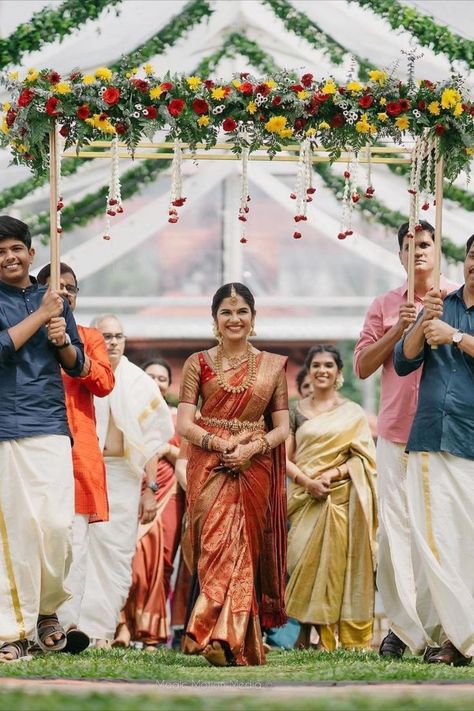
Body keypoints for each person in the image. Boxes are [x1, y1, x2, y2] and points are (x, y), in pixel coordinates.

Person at [353, 221, 458, 659]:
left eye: (426, 244)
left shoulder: (458, 299)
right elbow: (360, 367)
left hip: (444, 433)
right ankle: (402, 628)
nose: (418, 252)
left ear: (439, 251)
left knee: (440, 533)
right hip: (395, 432)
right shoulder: (383, 304)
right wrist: (399, 329)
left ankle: (448, 629)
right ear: (399, 255)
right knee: (394, 532)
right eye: (409, 246)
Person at [177, 283, 289, 666]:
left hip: (254, 465)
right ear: (215, 320)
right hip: (209, 464)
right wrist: (218, 444)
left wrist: (251, 448)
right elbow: (184, 423)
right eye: (226, 311)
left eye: (242, 311)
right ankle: (224, 637)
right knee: (214, 547)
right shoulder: (198, 362)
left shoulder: (273, 366)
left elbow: (282, 427)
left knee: (244, 548)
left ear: (253, 319)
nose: (234, 319)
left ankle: (223, 637)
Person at [0, 216, 84, 662]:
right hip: (6, 427)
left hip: (50, 424)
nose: (9, 258)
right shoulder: (37, 303)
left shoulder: (52, 298)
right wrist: (41, 317)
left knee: (56, 528)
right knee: (15, 533)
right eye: (0, 253)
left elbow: (77, 363)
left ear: (32, 253)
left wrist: (60, 338)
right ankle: (11, 630)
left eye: (16, 248)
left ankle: (48, 608)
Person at [393, 234, 474, 666]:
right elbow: (403, 362)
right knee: (437, 541)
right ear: (464, 260)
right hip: (431, 436)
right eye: (473, 254)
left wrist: (455, 335)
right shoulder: (442, 301)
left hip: (471, 435)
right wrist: (424, 321)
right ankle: (457, 639)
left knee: (469, 542)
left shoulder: (455, 320)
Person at [78, 315, 173, 646]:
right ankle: (76, 627)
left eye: (119, 335)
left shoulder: (138, 381)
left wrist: (150, 489)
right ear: (93, 339)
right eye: (106, 335)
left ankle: (102, 631)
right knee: (81, 552)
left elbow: (151, 442)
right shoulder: (83, 373)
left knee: (117, 556)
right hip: (88, 472)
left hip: (124, 477)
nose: (114, 342)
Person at [36, 262, 115, 654]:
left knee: (74, 542)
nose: (64, 293)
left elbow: (103, 382)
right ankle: (25, 624)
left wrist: (67, 343)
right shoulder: (23, 332)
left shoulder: (89, 336)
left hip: (78, 453)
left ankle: (65, 628)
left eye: (70, 288)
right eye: (55, 287)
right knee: (35, 536)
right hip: (31, 447)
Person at [285, 344, 377, 651]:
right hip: (303, 496)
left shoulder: (352, 413)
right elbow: (281, 457)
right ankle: (306, 630)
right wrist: (307, 481)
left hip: (339, 499)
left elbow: (364, 460)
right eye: (316, 365)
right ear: (308, 370)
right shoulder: (294, 411)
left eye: (329, 365)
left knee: (335, 567)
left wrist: (331, 475)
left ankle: (327, 637)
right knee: (299, 562)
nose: (322, 370)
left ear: (339, 373)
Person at [116, 357, 183, 651]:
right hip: (131, 487)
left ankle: (152, 633)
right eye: (150, 377)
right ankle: (123, 627)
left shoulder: (180, 417)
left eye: (162, 378)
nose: (156, 383)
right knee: (129, 562)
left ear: (169, 385)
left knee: (163, 562)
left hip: (169, 494)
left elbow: (189, 459)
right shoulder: (127, 413)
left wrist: (166, 447)